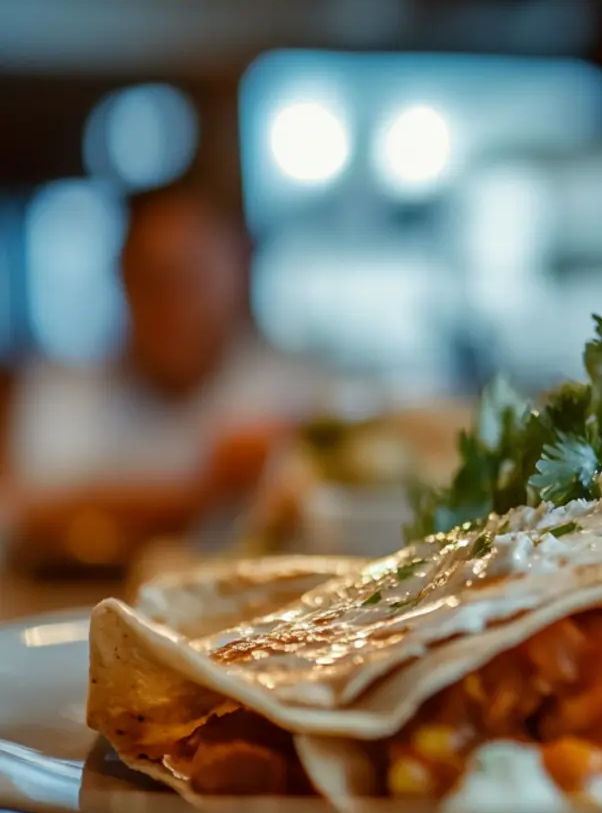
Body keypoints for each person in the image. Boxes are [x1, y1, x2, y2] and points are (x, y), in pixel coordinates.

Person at [4, 183, 358, 571]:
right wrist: (207, 488)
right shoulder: (64, 389)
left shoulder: (299, 387)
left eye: (196, 275)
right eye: (154, 277)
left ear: (239, 273)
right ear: (122, 277)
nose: (174, 301)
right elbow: (27, 509)